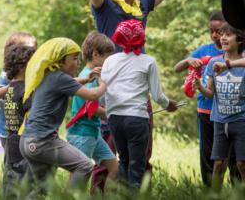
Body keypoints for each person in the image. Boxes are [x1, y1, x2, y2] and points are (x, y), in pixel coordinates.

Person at [82, 0, 215, 191]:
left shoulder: (141, 5)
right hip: (112, 93)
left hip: (139, 94)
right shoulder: (104, 7)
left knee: (143, 157)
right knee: (108, 160)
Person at [19, 37, 107, 197]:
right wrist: (103, 85)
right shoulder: (60, 78)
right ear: (59, 62)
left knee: (43, 189)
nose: (78, 62)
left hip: (27, 141)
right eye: (74, 58)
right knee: (85, 165)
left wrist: (87, 79)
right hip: (42, 141)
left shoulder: (49, 75)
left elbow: (71, 81)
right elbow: (93, 95)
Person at [101, 20, 178, 190]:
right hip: (137, 119)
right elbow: (157, 96)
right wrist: (169, 105)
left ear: (118, 38)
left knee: (124, 162)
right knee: (137, 167)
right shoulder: (148, 61)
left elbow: (102, 96)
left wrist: (112, 109)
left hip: (114, 120)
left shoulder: (109, 61)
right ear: (141, 39)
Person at [174, 10, 241, 186]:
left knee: (236, 157)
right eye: (211, 31)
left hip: (232, 112)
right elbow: (177, 68)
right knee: (210, 155)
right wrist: (189, 60)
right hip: (206, 110)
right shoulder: (204, 50)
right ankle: (209, 191)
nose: (215, 35)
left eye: (219, 31)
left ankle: (237, 191)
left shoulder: (238, 52)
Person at [192, 22, 245, 187]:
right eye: (222, 34)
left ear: (240, 40)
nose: (222, 38)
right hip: (220, 122)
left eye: (228, 35)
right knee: (218, 164)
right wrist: (199, 87)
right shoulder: (213, 62)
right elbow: (210, 93)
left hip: (241, 121)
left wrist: (227, 65)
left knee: (242, 164)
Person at [66, 32, 118, 198]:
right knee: (77, 180)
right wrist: (117, 115)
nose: (110, 61)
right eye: (108, 57)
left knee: (115, 169)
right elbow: (92, 109)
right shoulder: (85, 77)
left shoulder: (94, 75)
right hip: (82, 135)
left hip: (93, 135)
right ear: (96, 54)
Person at [0, 32, 37, 197]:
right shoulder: (7, 73)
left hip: (21, 128)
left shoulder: (31, 74)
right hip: (8, 128)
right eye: (28, 49)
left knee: (21, 166)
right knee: (12, 165)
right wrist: (15, 85)